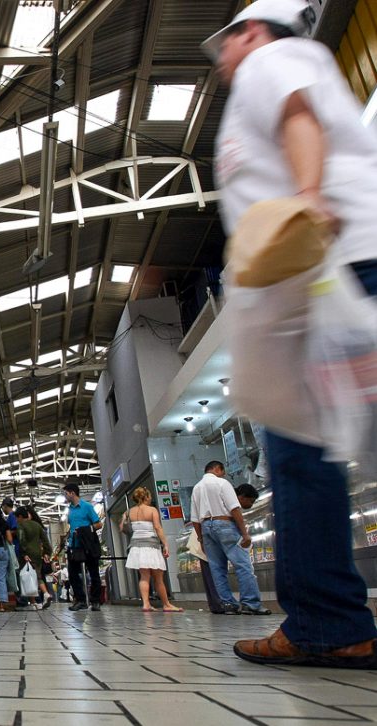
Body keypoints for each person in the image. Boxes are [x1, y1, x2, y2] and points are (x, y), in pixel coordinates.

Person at [206, 0, 377, 667]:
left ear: (251, 31)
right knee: (311, 446)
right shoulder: (299, 60)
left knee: (300, 451)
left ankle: (327, 624)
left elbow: (297, 115)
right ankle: (329, 619)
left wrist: (309, 196)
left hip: (334, 270)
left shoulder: (271, 60)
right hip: (334, 269)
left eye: (227, 42)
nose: (222, 58)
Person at [190, 462, 269, 616]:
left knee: (217, 569)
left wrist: (201, 539)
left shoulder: (196, 488)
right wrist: (244, 533)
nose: (223, 474)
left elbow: (194, 518)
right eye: (222, 471)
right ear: (217, 469)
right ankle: (250, 604)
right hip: (224, 524)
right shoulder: (222, 483)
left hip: (206, 528)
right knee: (243, 565)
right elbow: (234, 508)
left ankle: (228, 605)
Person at [122, 487, 182, 613]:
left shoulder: (129, 512)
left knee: (144, 576)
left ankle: (146, 604)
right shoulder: (152, 510)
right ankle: (166, 604)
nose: (151, 498)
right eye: (149, 496)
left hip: (136, 546)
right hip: (151, 545)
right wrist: (165, 544)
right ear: (146, 497)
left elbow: (122, 527)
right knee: (158, 577)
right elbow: (158, 527)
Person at [63, 483, 103, 612]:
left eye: (66, 493)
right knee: (72, 574)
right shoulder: (70, 510)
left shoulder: (87, 507)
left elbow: (99, 524)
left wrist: (85, 530)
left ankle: (95, 601)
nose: (65, 496)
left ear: (72, 493)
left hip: (88, 544)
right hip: (74, 545)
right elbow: (72, 526)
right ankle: (80, 600)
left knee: (93, 572)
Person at [17, 507, 54, 609]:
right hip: (38, 554)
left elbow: (21, 540)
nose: (16, 520)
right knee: (34, 576)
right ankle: (33, 603)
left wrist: (24, 554)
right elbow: (45, 540)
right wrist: (46, 552)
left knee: (32, 577)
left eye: (17, 518)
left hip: (27, 555)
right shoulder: (37, 525)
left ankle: (45, 594)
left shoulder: (21, 526)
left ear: (20, 517)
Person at [1, 498, 21, 596]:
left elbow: (15, 530)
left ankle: (20, 596)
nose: (2, 509)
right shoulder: (11, 516)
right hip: (14, 547)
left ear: (5, 506)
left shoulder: (12, 516)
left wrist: (5, 534)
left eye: (2, 507)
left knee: (16, 572)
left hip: (15, 547)